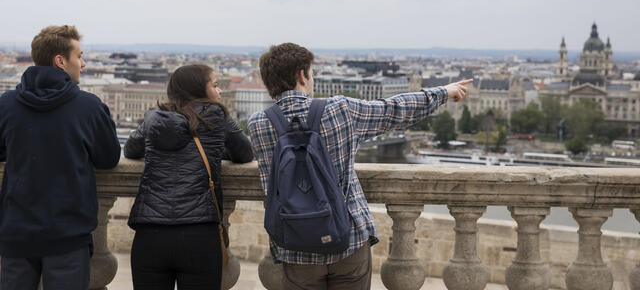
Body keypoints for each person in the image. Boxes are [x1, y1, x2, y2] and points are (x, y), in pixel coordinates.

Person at [248, 42, 472, 290]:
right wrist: (443, 92)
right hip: (348, 240)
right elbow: (393, 110)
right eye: (312, 74)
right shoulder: (339, 109)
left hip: (295, 245)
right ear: (302, 75)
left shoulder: (259, 124)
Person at [0, 25, 121, 290]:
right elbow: (109, 158)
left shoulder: (6, 105)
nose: (84, 64)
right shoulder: (89, 107)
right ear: (60, 60)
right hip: (68, 234)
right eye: (79, 56)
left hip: (16, 231)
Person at [124, 63, 253, 290]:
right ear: (199, 89)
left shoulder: (155, 118)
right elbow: (245, 153)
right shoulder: (217, 117)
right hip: (199, 234)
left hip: (150, 233)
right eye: (215, 85)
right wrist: (216, 150)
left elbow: (131, 150)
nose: (220, 91)